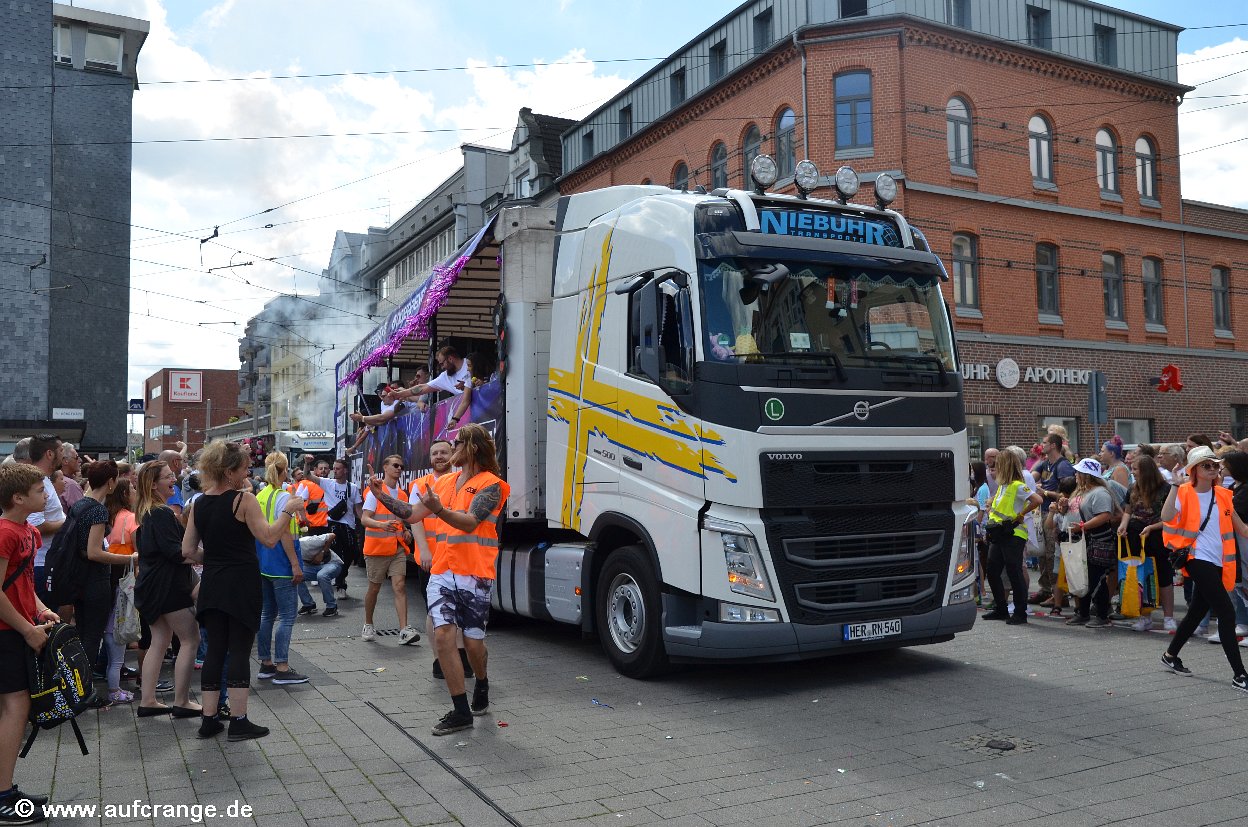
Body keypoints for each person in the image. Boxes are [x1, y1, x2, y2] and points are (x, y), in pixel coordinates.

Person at [370, 424, 510, 736]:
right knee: (443, 635)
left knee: (473, 643)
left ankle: (482, 682)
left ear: (472, 447)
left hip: (475, 574)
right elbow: (412, 514)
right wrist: (381, 496)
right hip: (443, 572)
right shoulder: (444, 482)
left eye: (457, 443)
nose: (451, 448)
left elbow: (471, 522)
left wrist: (440, 510)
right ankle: (461, 711)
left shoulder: (493, 485)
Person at [181, 439, 303, 741]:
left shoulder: (198, 503)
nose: (248, 473)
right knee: (238, 649)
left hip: (213, 584)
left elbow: (188, 551)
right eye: (245, 468)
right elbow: (269, 538)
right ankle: (239, 720)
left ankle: (209, 719)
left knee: (214, 650)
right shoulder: (243, 500)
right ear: (229, 471)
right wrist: (288, 511)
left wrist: (216, 558)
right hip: (241, 584)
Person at [1160, 446, 1248, 690]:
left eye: (1215, 465)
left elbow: (1242, 529)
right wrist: (1175, 485)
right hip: (1196, 558)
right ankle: (1240, 674)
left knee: (1197, 611)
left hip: (1219, 561)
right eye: (1206, 465)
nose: (1213, 469)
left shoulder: (1224, 495)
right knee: (1227, 612)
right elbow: (1166, 516)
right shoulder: (1183, 491)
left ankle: (1170, 655)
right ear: (1194, 470)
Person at [0, 463, 59, 825]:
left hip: (17, 629)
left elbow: (23, 584)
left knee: (16, 707)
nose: (46, 495)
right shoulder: (5, 532)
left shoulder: (29, 531)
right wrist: (27, 629)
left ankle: (6, 789)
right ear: (19, 498)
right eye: (40, 491)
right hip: (6, 633)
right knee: (15, 707)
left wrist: (40, 610)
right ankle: (2, 795)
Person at [132, 462, 200, 718]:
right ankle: (182, 701)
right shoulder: (161, 513)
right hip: (168, 587)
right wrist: (209, 557)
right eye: (168, 476)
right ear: (153, 484)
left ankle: (148, 700)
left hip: (151, 586)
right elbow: (176, 552)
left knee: (159, 641)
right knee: (190, 639)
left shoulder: (146, 513)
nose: (174, 479)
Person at [68, 461, 135, 705]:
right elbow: (94, 552)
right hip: (95, 581)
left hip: (79, 579)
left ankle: (78, 689)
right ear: (110, 482)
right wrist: (130, 558)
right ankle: (84, 693)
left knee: (84, 634)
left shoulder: (80, 504)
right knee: (91, 638)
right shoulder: (97, 510)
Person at [410, 439, 473, 680]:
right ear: (430, 458)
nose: (439, 456)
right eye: (435, 453)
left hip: (458, 556)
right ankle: (439, 660)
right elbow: (414, 519)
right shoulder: (420, 485)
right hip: (432, 559)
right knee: (434, 611)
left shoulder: (462, 481)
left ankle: (460, 657)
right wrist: (424, 550)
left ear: (453, 454)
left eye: (443, 452)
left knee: (460, 610)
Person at [254, 453, 309, 686]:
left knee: (267, 614)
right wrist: (295, 564)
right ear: (284, 470)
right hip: (282, 563)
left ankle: (266, 664)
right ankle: (282, 668)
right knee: (287, 617)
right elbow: (285, 533)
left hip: (264, 563)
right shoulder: (284, 497)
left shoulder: (261, 495)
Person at [359, 455, 418, 645]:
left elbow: (401, 521)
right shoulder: (375, 492)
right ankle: (368, 623)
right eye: (395, 465)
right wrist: (381, 525)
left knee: (399, 586)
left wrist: (406, 531)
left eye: (401, 466)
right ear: (385, 467)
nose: (399, 468)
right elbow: (364, 519)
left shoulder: (402, 495)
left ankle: (404, 630)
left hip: (397, 548)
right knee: (374, 588)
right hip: (376, 550)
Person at [981, 448, 1042, 625]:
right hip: (999, 534)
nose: (995, 467)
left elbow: (1037, 500)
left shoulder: (1017, 485)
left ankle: (1020, 612)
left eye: (998, 464)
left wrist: (1021, 515)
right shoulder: (1003, 486)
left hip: (1013, 534)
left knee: (1014, 572)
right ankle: (1001, 609)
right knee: (993, 571)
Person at [1055, 458, 1118, 628]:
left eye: (1079, 472)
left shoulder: (1100, 493)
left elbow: (1104, 515)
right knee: (1082, 576)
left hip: (1097, 539)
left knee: (1096, 578)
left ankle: (1102, 615)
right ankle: (1083, 613)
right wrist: (1064, 507)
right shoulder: (1082, 492)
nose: (1075, 474)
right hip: (1084, 539)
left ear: (1087, 475)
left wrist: (1082, 526)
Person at [1119, 455, 1176, 633]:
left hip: (1158, 537)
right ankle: (1145, 617)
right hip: (1136, 536)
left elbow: (1171, 518)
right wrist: (1123, 525)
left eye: (1135, 469)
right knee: (1141, 576)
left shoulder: (1165, 489)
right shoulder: (1132, 488)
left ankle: (1168, 617)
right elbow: (1128, 511)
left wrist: (1152, 527)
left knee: (1164, 576)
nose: (1133, 472)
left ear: (1146, 471)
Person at [102, 478, 139, 705]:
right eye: (132, 489)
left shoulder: (107, 516)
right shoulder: (130, 518)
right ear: (125, 493)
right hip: (126, 578)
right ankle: (114, 691)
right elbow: (139, 550)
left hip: (107, 577)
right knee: (116, 658)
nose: (135, 492)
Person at [1032, 433, 1075, 608]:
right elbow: (1030, 476)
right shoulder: (1046, 463)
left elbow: (1067, 493)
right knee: (1043, 553)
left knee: (1051, 554)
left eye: (1045, 443)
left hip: (1056, 513)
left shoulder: (1063, 466)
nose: (1041, 445)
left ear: (1054, 445)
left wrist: (1045, 492)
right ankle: (1046, 589)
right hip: (1043, 512)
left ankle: (1058, 593)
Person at [21, 435, 65, 606]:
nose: (63, 455)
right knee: (44, 615)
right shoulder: (37, 482)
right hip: (41, 563)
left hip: (48, 562)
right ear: (49, 454)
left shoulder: (44, 480)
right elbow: (35, 526)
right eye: (61, 450)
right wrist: (68, 523)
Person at [320, 458, 362, 602]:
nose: (335, 471)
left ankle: (339, 576)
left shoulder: (352, 488)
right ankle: (340, 584)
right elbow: (308, 476)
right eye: (334, 468)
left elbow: (358, 509)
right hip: (334, 524)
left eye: (338, 468)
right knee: (337, 555)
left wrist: (367, 522)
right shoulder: (328, 483)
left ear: (345, 470)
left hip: (349, 526)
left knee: (352, 554)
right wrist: (307, 464)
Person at [58, 443, 84, 511]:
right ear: (65, 461)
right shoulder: (70, 485)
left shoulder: (51, 479)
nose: (80, 460)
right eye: (76, 457)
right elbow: (82, 513)